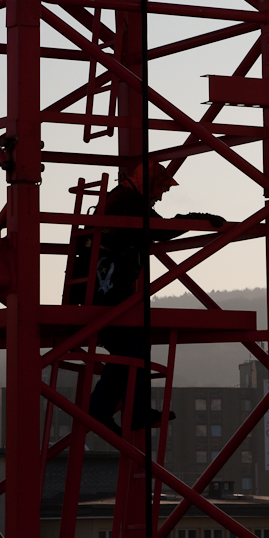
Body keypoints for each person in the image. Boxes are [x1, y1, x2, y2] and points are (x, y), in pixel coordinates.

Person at [71, 160, 225, 433]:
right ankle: (129, 410)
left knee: (127, 350)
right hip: (107, 288)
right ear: (150, 184)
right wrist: (195, 219)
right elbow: (160, 230)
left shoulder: (124, 199)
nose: (160, 196)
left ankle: (104, 409)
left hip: (102, 287)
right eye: (160, 189)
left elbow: (155, 226)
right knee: (132, 347)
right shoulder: (128, 201)